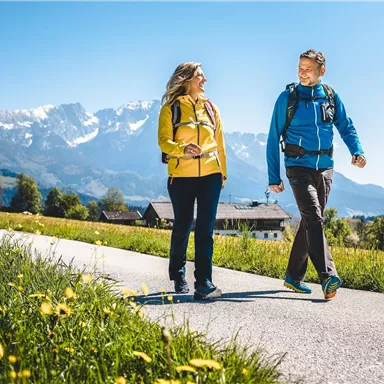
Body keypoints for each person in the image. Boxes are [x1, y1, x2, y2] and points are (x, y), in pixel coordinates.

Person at [266, 49, 366, 299]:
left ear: (322, 71)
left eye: (308, 69)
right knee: (314, 216)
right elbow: (272, 137)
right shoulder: (287, 98)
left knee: (312, 220)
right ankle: (328, 275)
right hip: (297, 165)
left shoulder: (330, 96)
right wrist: (273, 176)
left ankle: (293, 276)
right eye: (300, 67)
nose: (302, 73)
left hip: (325, 167)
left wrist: (357, 150)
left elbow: (345, 125)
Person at [158, 62, 227, 300]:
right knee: (183, 226)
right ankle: (178, 276)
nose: (205, 80)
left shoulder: (211, 109)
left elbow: (220, 145)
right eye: (200, 76)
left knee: (205, 230)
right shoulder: (171, 109)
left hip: (211, 175)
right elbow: (163, 142)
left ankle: (203, 282)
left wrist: (222, 174)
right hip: (181, 176)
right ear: (187, 78)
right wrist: (183, 149)